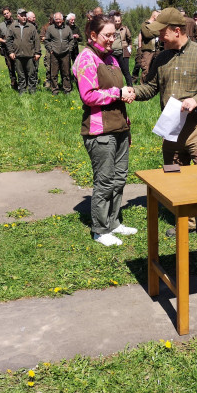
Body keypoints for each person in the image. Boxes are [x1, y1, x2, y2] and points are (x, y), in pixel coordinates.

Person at [133, 7, 197, 245]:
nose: (159, 37)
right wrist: (131, 92)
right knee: (176, 178)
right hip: (171, 129)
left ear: (177, 31)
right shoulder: (161, 58)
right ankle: (187, 222)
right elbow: (151, 88)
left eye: (162, 32)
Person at [72, 14, 137, 246]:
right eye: (107, 35)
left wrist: (126, 98)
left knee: (119, 178)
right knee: (105, 180)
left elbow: (118, 90)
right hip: (99, 131)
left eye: (114, 35)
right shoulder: (86, 59)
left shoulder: (111, 58)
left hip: (119, 127)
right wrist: (118, 93)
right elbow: (88, 96)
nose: (111, 39)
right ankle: (100, 229)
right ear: (93, 35)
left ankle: (114, 222)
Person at [6, 8, 41, 94]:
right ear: (18, 16)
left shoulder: (31, 27)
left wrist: (37, 53)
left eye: (25, 15)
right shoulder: (13, 27)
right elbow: (9, 40)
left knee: (31, 74)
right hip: (17, 55)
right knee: (20, 74)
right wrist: (11, 52)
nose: (24, 17)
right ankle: (22, 90)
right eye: (22, 16)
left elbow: (37, 40)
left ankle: (32, 90)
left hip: (30, 55)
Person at [45, 12, 74, 95]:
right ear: (54, 20)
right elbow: (47, 40)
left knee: (66, 73)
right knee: (54, 73)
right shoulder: (50, 28)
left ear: (62, 19)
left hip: (65, 54)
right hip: (54, 54)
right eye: (56, 19)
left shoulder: (67, 28)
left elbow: (71, 39)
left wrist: (69, 49)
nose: (58, 21)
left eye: (59, 19)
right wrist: (50, 49)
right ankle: (54, 89)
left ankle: (67, 89)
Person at [0, 6, 19, 91]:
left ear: (10, 13)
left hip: (17, 48)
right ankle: (14, 85)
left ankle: (22, 84)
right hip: (6, 50)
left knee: (19, 67)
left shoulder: (17, 23)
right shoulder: (1, 25)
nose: (6, 15)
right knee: (11, 68)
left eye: (7, 13)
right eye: (4, 14)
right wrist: (4, 41)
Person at [111, 13, 133, 86]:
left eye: (119, 21)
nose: (117, 22)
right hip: (112, 53)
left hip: (123, 52)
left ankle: (130, 86)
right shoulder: (110, 29)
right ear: (113, 21)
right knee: (113, 72)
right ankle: (115, 87)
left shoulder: (125, 29)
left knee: (126, 71)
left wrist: (130, 48)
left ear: (121, 20)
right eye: (116, 21)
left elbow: (129, 39)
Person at [138, 10, 160, 83]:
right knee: (145, 68)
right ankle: (143, 85)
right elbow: (147, 34)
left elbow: (160, 32)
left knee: (155, 69)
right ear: (154, 16)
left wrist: (152, 32)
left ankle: (152, 84)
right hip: (147, 50)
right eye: (158, 16)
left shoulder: (157, 24)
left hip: (156, 50)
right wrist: (157, 32)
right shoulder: (144, 24)